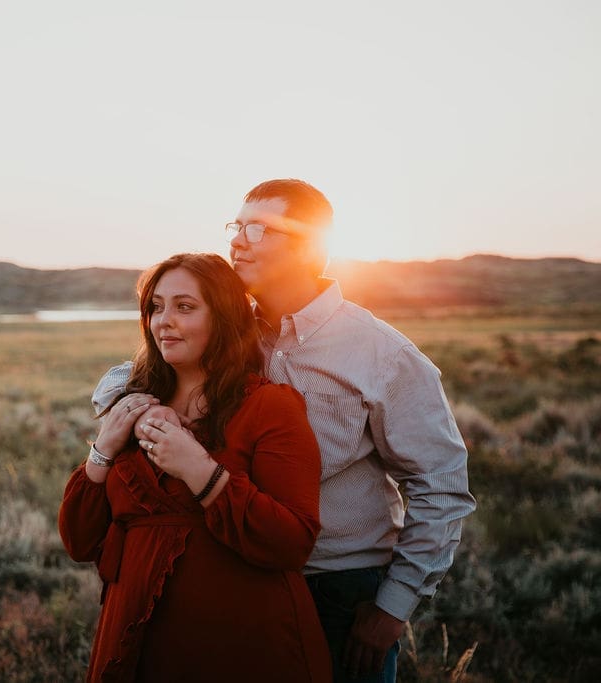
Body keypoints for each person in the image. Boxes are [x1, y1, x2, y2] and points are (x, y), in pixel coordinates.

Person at [92, 180, 477, 682]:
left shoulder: (382, 355)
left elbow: (440, 485)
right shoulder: (229, 332)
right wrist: (144, 413)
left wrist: (392, 607)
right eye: (236, 226)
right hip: (238, 575)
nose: (238, 241)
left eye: (259, 228)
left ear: (311, 246)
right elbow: (127, 375)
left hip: (341, 588)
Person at [58, 253, 332, 682]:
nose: (164, 320)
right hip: (136, 636)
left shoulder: (269, 407)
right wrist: (106, 447)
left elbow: (293, 542)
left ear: (222, 317)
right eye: (156, 307)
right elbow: (78, 540)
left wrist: (201, 472)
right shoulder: (132, 404)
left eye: (185, 307)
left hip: (242, 644)